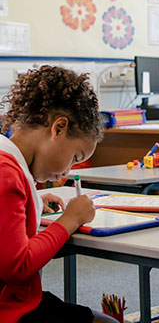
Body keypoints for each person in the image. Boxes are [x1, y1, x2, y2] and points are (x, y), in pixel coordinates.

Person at [0, 66, 117, 323]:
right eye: (75, 157)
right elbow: (17, 267)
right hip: (11, 310)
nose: (68, 170)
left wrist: (31, 203)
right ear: (58, 128)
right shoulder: (7, 172)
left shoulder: (7, 160)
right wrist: (70, 220)